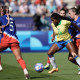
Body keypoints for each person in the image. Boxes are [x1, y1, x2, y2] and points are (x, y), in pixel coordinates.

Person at [0, 6, 30, 79]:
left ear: (2, 11)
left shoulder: (1, 18)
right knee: (19, 59)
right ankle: (25, 71)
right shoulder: (12, 18)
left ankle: (0, 66)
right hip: (15, 40)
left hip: (6, 40)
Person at [68, 5, 80, 74]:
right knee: (70, 58)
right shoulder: (71, 22)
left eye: (70, 13)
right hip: (75, 40)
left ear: (74, 13)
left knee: (79, 54)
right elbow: (70, 33)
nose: (69, 15)